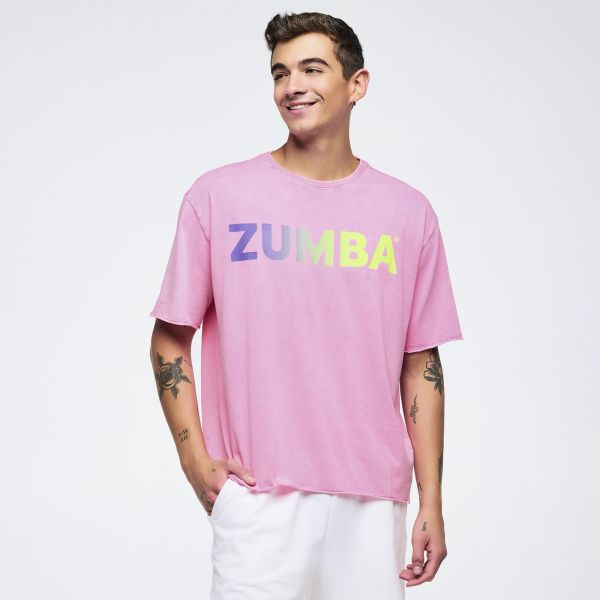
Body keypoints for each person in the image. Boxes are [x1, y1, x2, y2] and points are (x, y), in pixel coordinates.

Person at [149, 10, 463, 600]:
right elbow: (169, 338)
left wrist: (432, 501)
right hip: (260, 500)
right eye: (280, 72)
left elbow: (421, 362)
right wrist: (196, 461)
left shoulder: (407, 213)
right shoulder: (219, 196)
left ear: (357, 84)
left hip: (373, 503)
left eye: (312, 69)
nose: (292, 85)